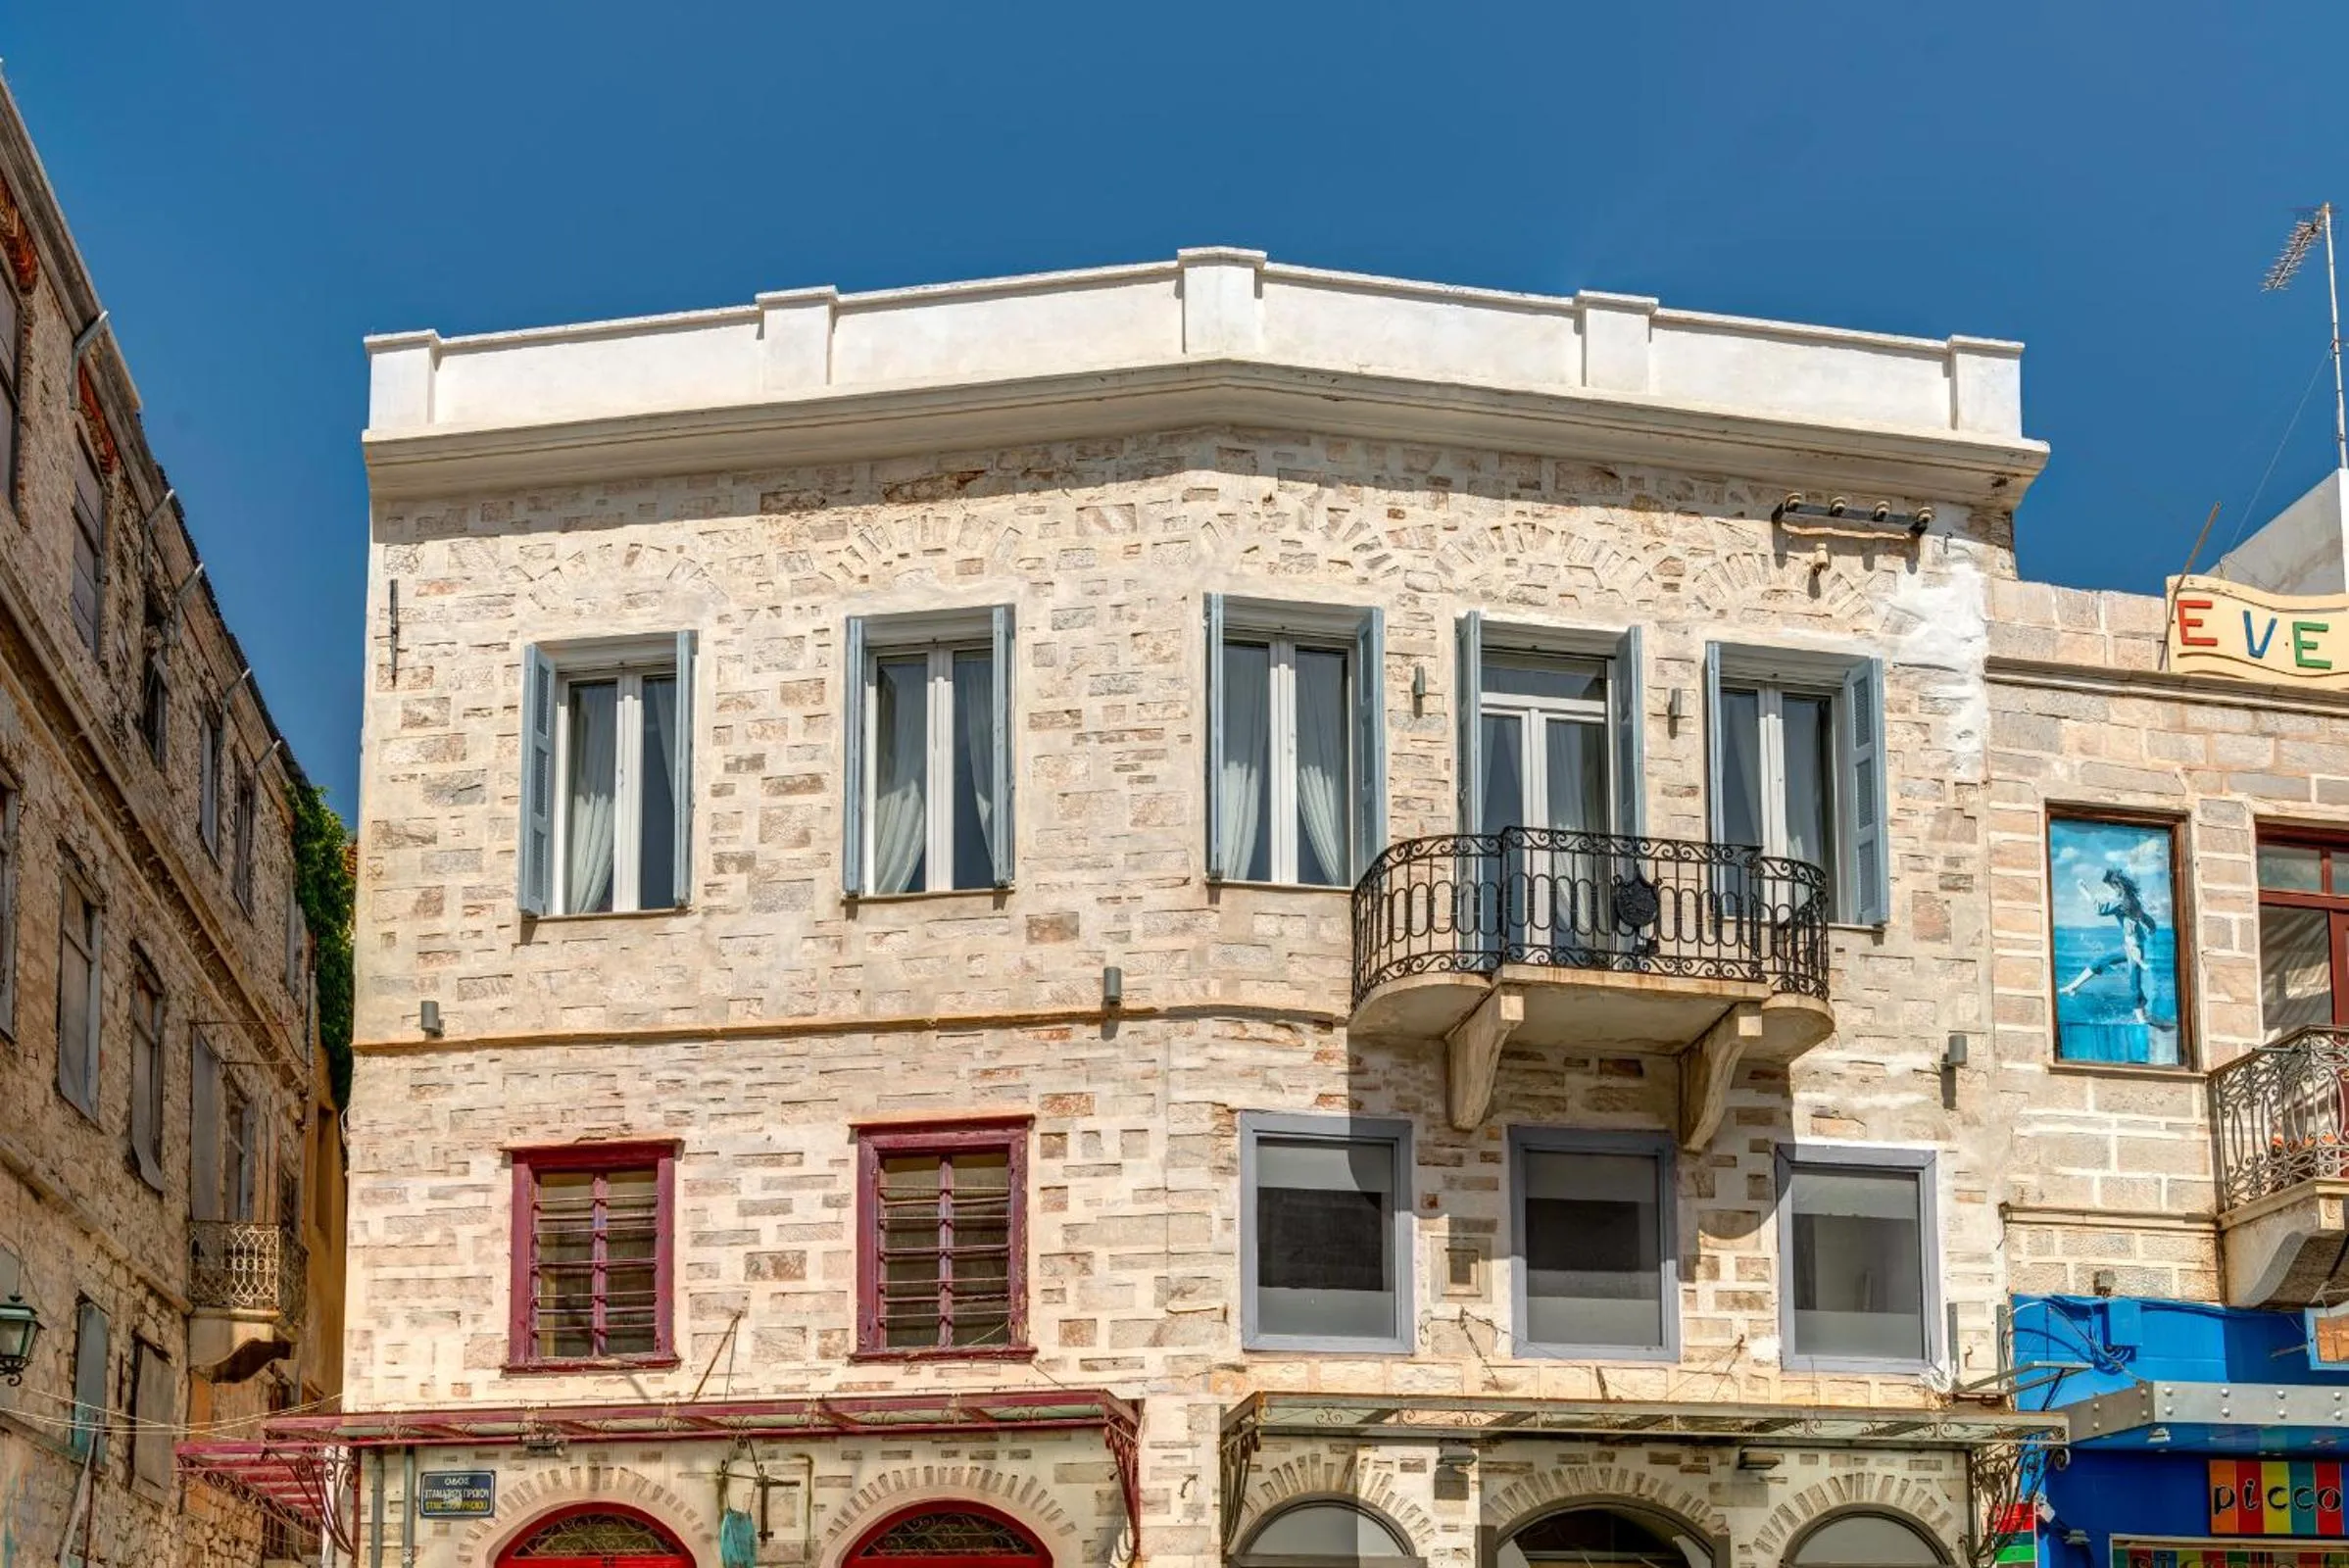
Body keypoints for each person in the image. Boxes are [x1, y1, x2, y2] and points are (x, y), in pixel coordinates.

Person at [2060, 866, 2155, 1027]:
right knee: (2101, 961)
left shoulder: (2121, 901)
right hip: (2130, 946)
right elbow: (2143, 916)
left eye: (2109, 888)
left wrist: (2085, 891)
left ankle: (2142, 1020)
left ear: (2117, 887)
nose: (2109, 892)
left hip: (2134, 947)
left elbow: (2100, 910)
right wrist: (2151, 925)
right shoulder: (2131, 899)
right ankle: (2072, 986)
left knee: (2134, 984)